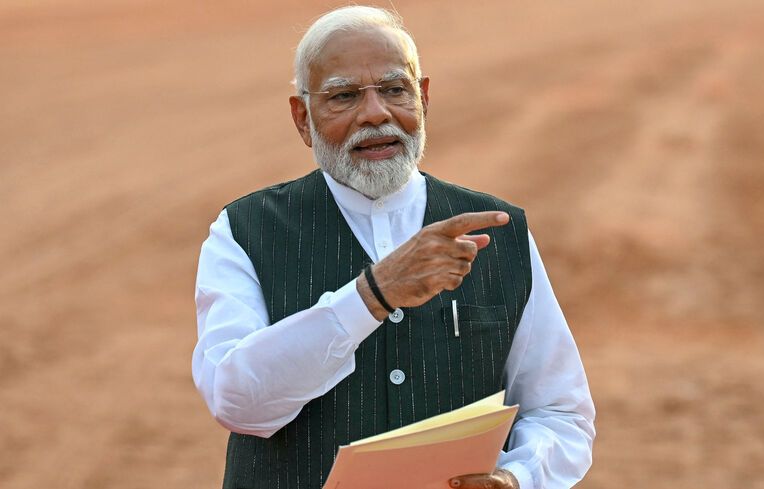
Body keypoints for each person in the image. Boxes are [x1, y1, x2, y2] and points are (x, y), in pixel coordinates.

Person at [193, 6, 595, 489]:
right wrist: (371, 296)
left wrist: (517, 477)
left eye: (394, 90)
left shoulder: (501, 232)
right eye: (343, 96)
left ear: (423, 97)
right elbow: (239, 404)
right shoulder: (244, 231)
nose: (375, 113)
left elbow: (559, 410)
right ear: (302, 118)